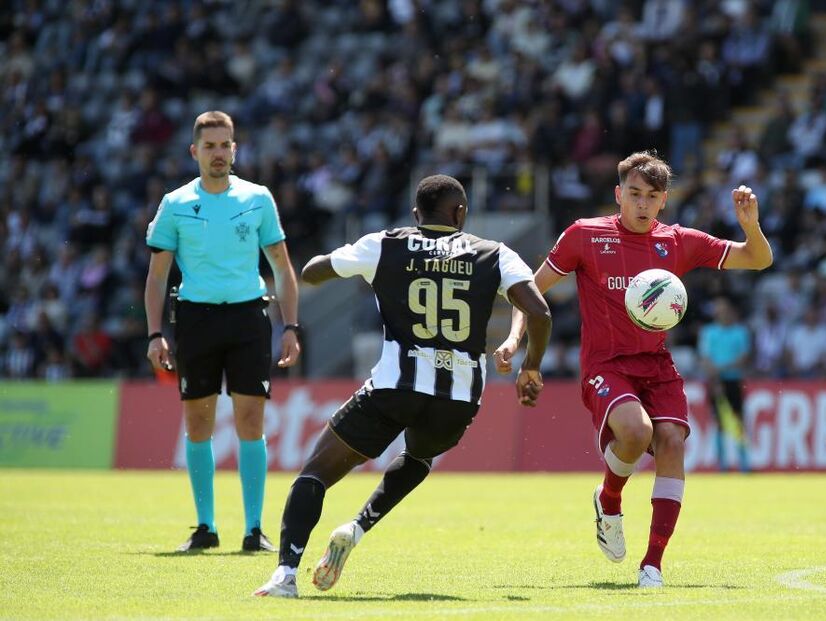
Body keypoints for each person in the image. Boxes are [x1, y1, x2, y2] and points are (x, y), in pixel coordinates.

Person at [253, 174, 551, 598]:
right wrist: (530, 366)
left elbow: (313, 273)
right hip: (458, 398)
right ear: (460, 213)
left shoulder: (387, 244)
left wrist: (355, 261)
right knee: (418, 457)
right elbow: (539, 312)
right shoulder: (495, 253)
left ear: (416, 214)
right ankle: (357, 528)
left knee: (315, 473)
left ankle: (285, 575)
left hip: (395, 388)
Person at [494, 151, 772, 587]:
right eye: (635, 193)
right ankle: (609, 500)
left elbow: (758, 259)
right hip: (606, 365)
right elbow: (529, 290)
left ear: (664, 200)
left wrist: (750, 225)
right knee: (637, 432)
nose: (643, 204)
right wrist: (515, 340)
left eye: (652, 196)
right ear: (618, 193)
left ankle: (652, 566)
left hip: (657, 365)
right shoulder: (585, 235)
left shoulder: (677, 241)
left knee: (672, 443)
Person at [144, 111, 301, 553]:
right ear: (194, 151)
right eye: (210, 146)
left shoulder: (258, 198)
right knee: (198, 423)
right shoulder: (175, 204)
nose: (218, 153)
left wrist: (291, 326)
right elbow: (157, 277)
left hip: (249, 317)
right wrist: (155, 333)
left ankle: (254, 530)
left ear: (235, 149)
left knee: (251, 420)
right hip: (196, 320)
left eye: (225, 145)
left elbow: (282, 267)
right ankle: (205, 527)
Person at [698, 296, 751, 472]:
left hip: (734, 380)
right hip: (716, 381)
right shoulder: (709, 332)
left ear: (731, 311)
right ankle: (722, 465)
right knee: (719, 422)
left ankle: (744, 464)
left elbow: (744, 358)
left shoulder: (740, 332)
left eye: (724, 310)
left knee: (738, 420)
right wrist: (716, 375)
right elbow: (705, 358)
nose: (722, 313)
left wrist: (721, 368)